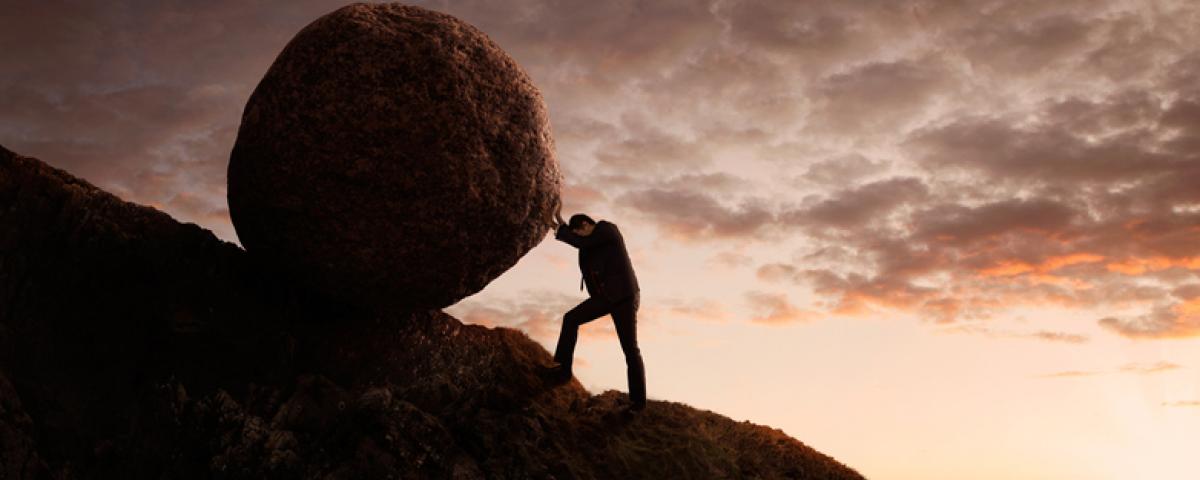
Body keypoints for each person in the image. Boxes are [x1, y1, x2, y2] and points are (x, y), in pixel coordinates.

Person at [546, 203, 646, 413]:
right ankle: (563, 370)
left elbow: (581, 242)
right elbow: (580, 241)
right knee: (570, 319)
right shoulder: (588, 241)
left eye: (579, 232)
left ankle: (637, 403)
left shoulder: (607, 229)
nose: (579, 237)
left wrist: (559, 228)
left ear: (585, 224)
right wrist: (561, 223)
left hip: (624, 297)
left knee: (630, 349)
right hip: (605, 298)